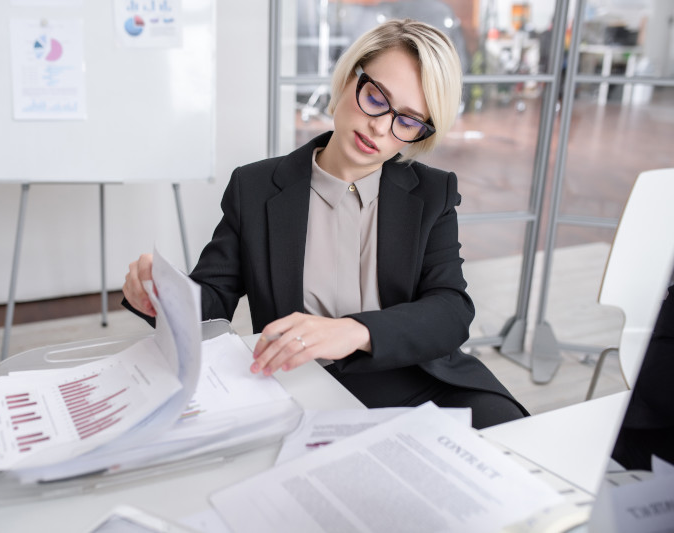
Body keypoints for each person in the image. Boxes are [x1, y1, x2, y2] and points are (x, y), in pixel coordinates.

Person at [123, 18, 528, 429]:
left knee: (516, 446)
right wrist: (161, 298)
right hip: (302, 384)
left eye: (407, 121)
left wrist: (354, 331)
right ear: (349, 79)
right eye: (376, 97)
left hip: (419, 380)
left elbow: (450, 311)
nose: (380, 127)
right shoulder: (256, 187)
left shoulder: (432, 193)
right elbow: (212, 302)